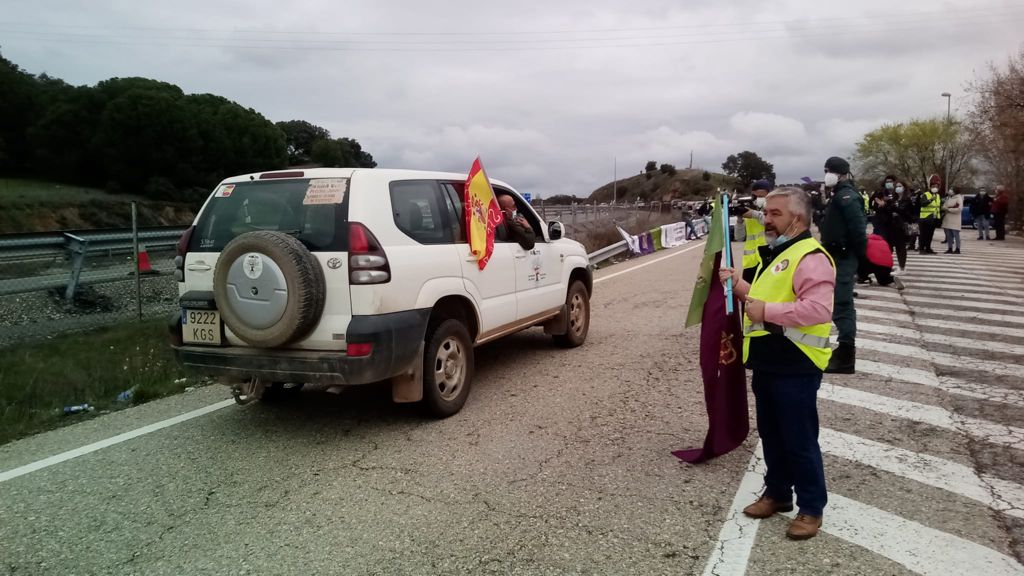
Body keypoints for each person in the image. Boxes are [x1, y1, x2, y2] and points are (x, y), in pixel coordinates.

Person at [718, 186, 834, 541]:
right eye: (766, 213)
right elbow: (760, 297)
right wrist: (736, 283)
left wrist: (767, 311)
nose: (765, 219)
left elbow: (818, 309)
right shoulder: (780, 253)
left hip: (797, 364)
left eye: (774, 214)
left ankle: (811, 508)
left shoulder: (811, 256)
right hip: (769, 362)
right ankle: (778, 494)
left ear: (796, 218)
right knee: (772, 434)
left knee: (799, 439)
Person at [819, 156, 866, 374]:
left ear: (842, 174)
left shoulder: (847, 196)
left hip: (844, 255)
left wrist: (862, 258)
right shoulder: (838, 195)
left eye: (831, 171)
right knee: (837, 302)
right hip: (836, 255)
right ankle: (843, 351)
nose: (827, 174)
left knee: (843, 303)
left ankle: (846, 354)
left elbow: (858, 229)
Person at [870, 176, 909, 274]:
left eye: (891, 182)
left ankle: (902, 267)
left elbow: (903, 211)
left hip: (900, 225)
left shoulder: (906, 199)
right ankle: (886, 266)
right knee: (887, 246)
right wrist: (883, 206)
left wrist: (887, 205)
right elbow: (875, 205)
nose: (890, 184)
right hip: (887, 225)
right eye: (887, 182)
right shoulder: (884, 194)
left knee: (900, 247)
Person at [741, 180, 772, 284]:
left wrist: (754, 214)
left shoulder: (773, 209)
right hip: (751, 261)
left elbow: (771, 222)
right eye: (757, 196)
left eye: (762, 196)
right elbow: (739, 237)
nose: (759, 198)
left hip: (768, 257)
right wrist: (739, 220)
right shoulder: (749, 209)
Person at [917, 175, 942, 254]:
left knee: (930, 235)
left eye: (936, 186)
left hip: (933, 219)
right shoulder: (926, 194)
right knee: (923, 235)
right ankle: (921, 249)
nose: (935, 187)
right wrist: (930, 200)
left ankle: (928, 248)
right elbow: (922, 204)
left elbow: (938, 207)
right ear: (930, 187)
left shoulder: (938, 196)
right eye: (933, 186)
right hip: (925, 218)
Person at [941, 188, 963, 254]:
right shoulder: (949, 198)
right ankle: (950, 248)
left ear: (954, 191)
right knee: (949, 235)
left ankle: (958, 249)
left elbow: (959, 209)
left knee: (956, 234)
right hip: (948, 219)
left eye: (951, 189)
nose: (950, 191)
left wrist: (949, 209)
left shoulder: (959, 198)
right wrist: (946, 208)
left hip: (955, 219)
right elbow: (944, 206)